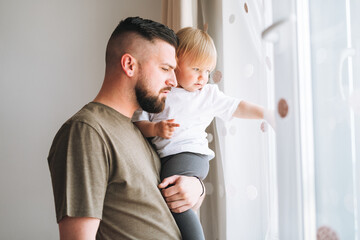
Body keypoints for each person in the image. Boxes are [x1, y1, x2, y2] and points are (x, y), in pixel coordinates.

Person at [47, 17, 205, 240]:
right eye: (165, 68)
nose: (173, 80)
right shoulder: (86, 131)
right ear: (130, 65)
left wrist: (197, 187)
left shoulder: (142, 131)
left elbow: (172, 203)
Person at [132, 27, 275, 240]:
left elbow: (237, 107)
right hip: (171, 156)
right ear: (175, 62)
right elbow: (140, 122)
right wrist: (156, 129)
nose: (203, 78)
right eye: (197, 69)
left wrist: (266, 114)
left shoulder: (206, 94)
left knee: (174, 199)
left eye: (207, 71)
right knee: (173, 201)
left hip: (191, 154)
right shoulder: (159, 91)